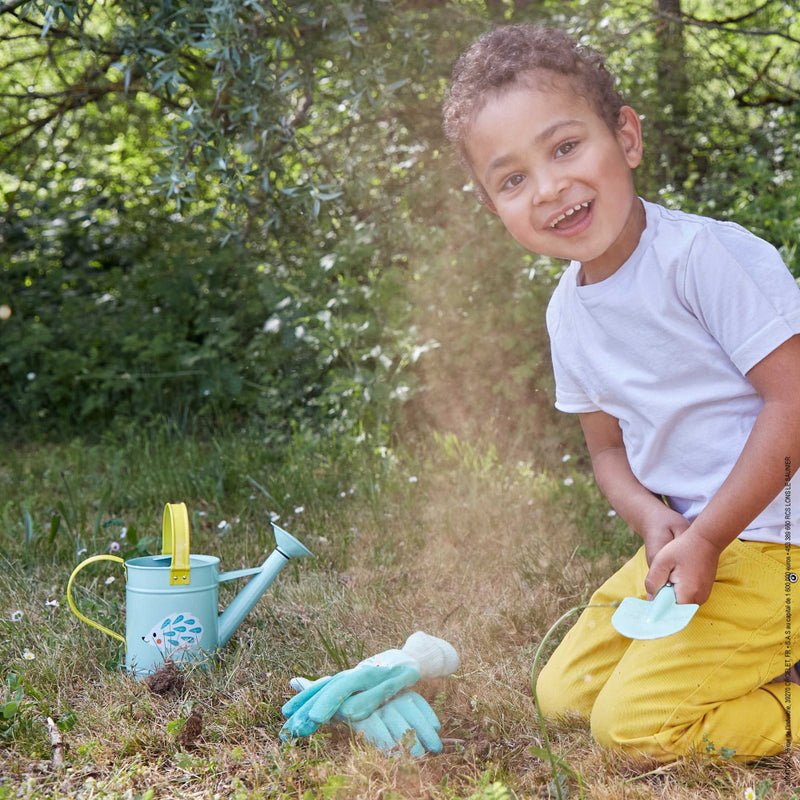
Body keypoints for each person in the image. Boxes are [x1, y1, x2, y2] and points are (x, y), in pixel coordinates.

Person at [442, 24, 800, 763]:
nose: (549, 189)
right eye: (512, 179)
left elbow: (792, 400)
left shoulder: (704, 258)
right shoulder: (566, 313)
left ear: (627, 138)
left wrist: (708, 535)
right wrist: (654, 519)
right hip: (693, 544)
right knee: (563, 700)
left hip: (776, 544)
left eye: (566, 147)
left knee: (631, 729)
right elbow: (607, 452)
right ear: (495, 209)